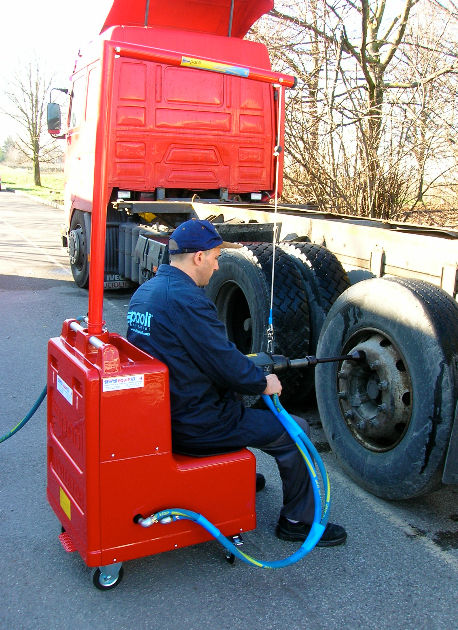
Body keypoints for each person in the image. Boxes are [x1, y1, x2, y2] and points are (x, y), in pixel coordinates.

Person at [127, 219, 346, 546]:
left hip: (160, 417)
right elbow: (226, 365)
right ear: (198, 257)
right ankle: (298, 521)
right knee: (295, 431)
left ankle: (234, 479)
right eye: (215, 258)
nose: (216, 268)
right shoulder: (187, 300)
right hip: (197, 424)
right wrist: (262, 381)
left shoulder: (147, 293)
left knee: (246, 409)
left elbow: (190, 355)